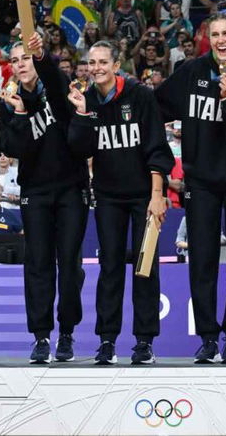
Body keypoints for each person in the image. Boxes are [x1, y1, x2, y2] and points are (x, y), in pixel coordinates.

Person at [155, 13, 226, 364]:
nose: (221, 40)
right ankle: (207, 337)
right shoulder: (193, 71)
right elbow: (155, 105)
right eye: (215, 34)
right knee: (201, 261)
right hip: (200, 182)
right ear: (208, 37)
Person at [68, 41, 173, 365]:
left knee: (145, 269)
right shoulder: (85, 101)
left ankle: (144, 343)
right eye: (91, 62)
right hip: (108, 197)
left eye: (103, 61)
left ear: (116, 65)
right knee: (109, 268)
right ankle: (107, 341)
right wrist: (82, 114)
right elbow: (79, 149)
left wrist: (158, 197)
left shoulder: (140, 96)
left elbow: (157, 146)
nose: (96, 67)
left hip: (144, 196)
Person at [0, 32, 89, 364]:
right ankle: (40, 336)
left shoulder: (57, 86)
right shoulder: (10, 103)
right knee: (37, 264)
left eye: (25, 57)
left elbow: (52, 74)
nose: (20, 64)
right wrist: (21, 115)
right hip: (34, 190)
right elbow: (12, 148)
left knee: (69, 264)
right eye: (14, 59)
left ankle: (66, 332)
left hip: (70, 188)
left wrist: (41, 54)